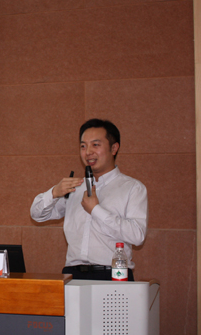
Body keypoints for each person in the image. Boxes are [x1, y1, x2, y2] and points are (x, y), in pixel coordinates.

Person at [30, 119, 147, 280]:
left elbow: (137, 236)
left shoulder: (132, 187)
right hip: (73, 274)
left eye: (95, 145)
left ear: (114, 148)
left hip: (113, 274)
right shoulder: (75, 187)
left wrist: (96, 210)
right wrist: (54, 192)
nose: (88, 152)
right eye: (83, 146)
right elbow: (37, 215)